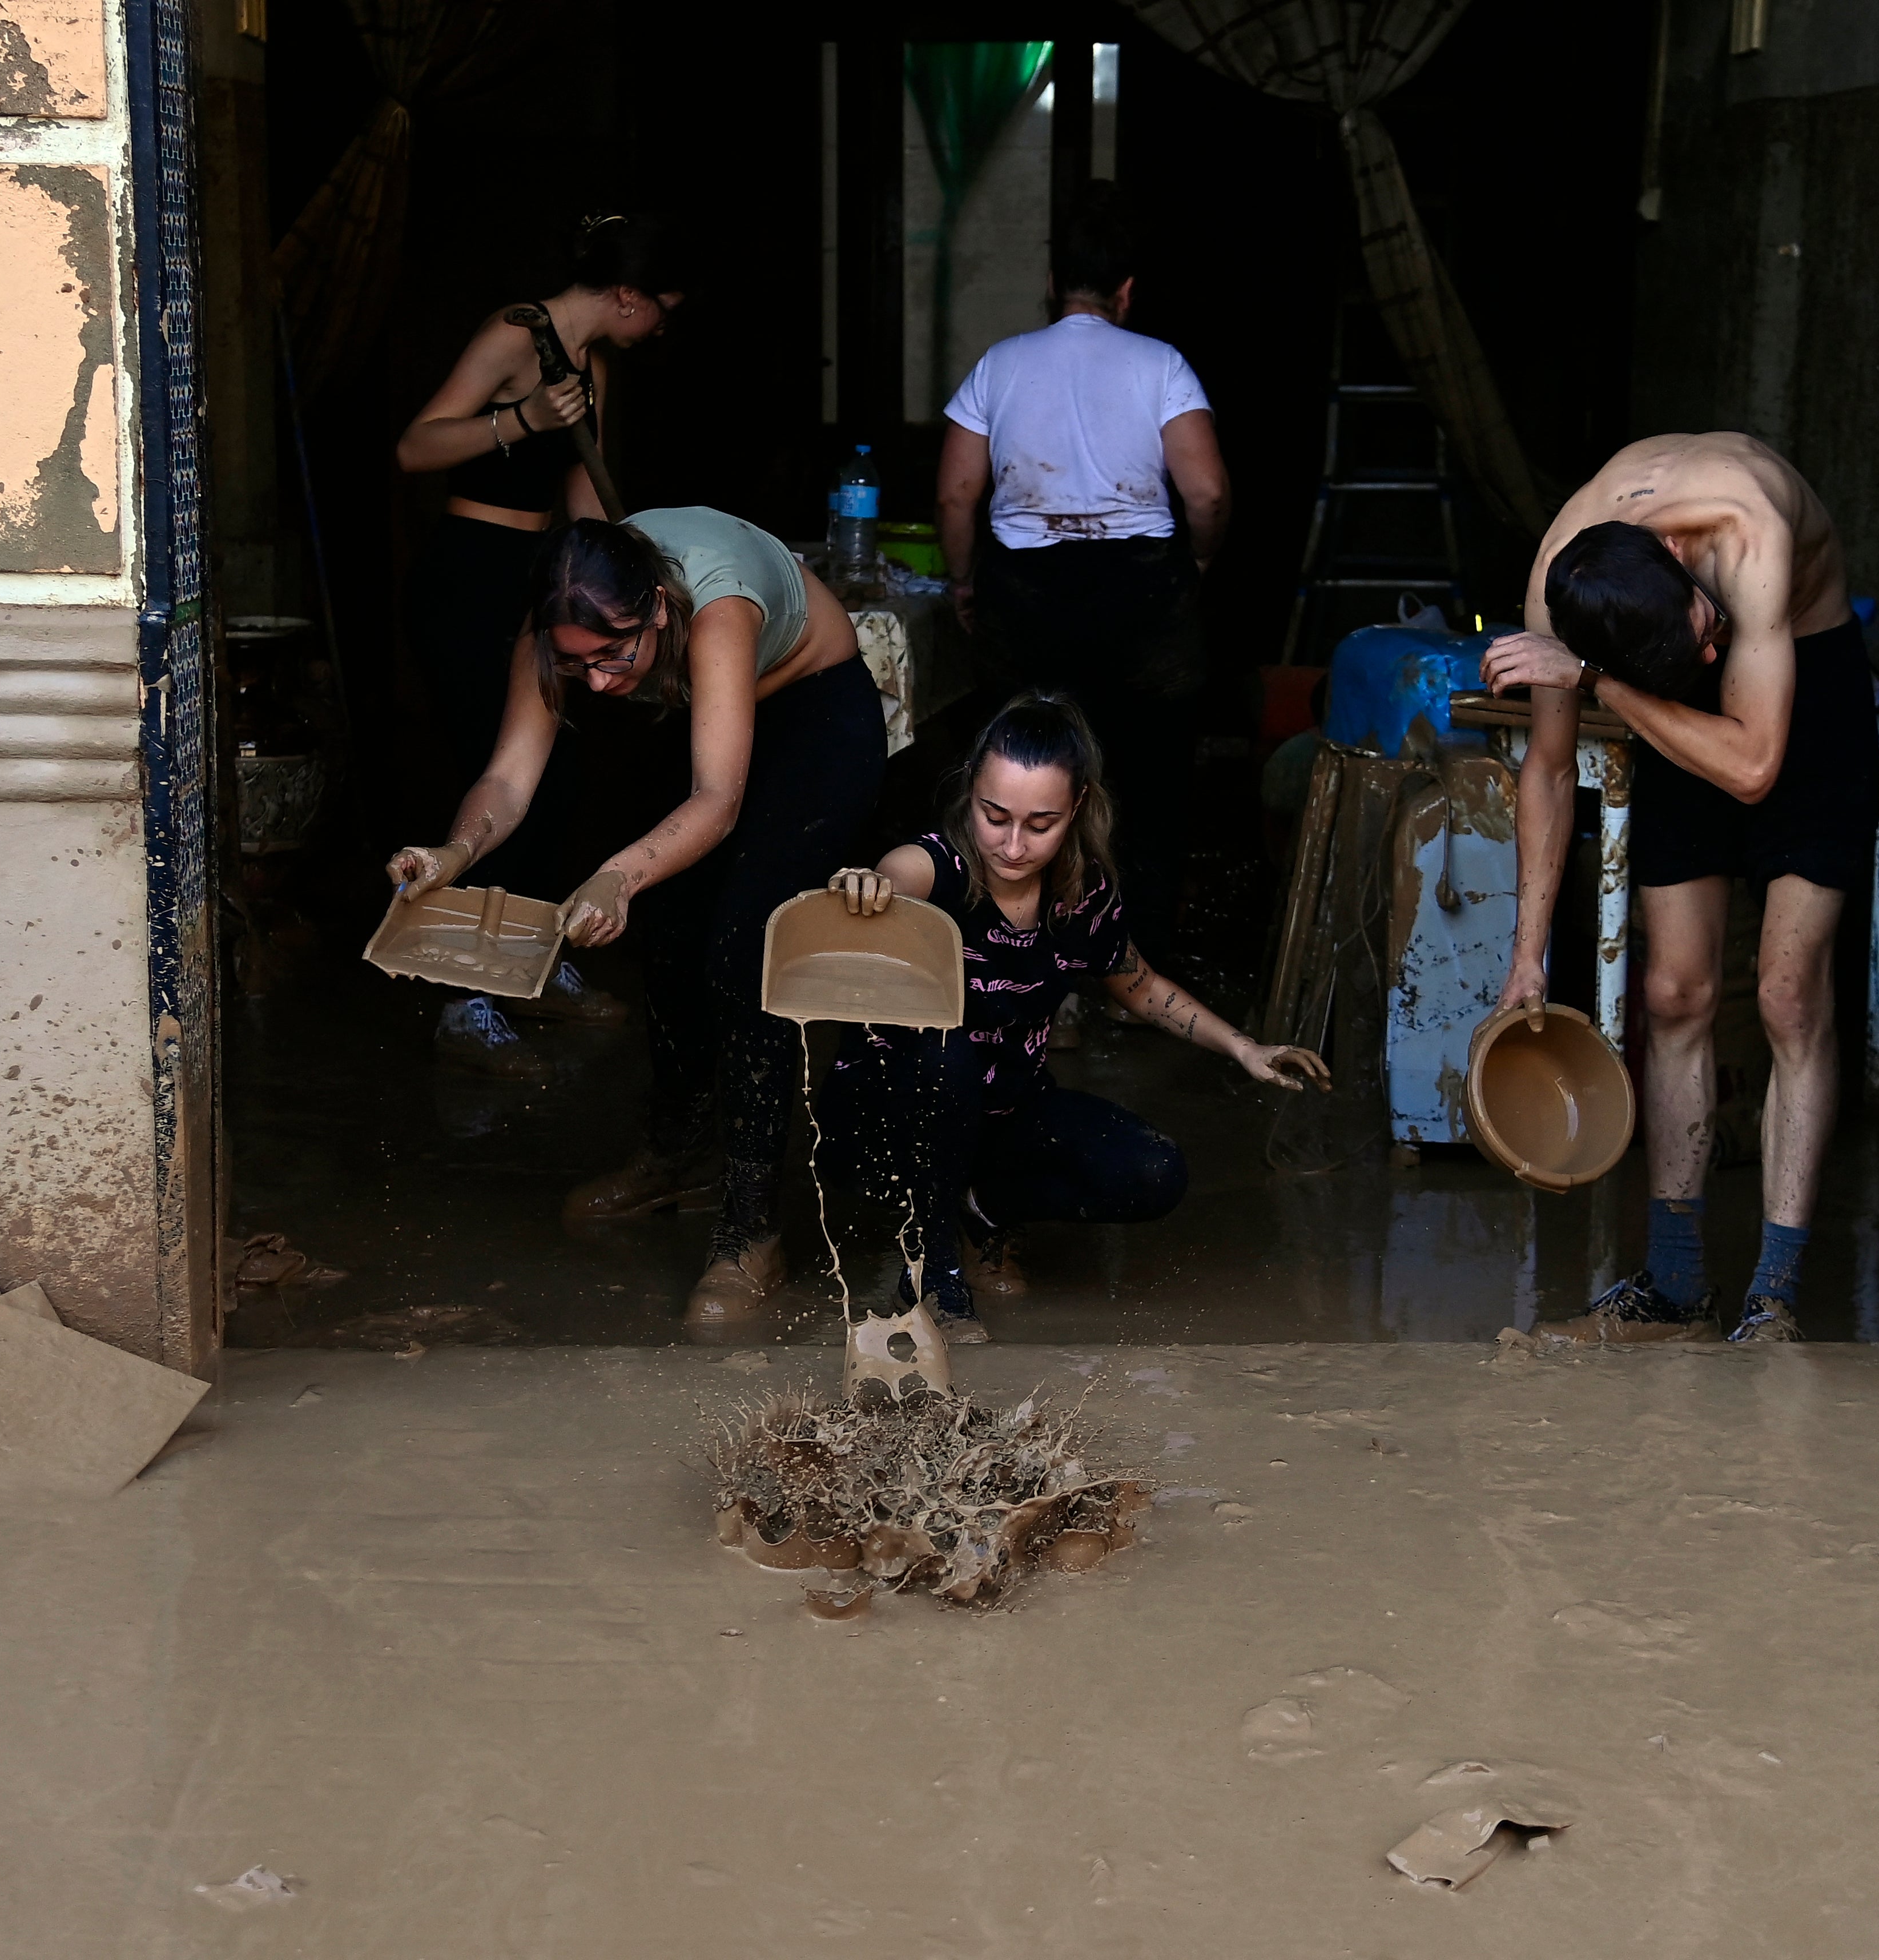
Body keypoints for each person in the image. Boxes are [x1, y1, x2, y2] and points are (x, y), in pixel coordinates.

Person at [386, 510, 882, 1331]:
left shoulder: (718, 611)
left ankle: (750, 1231)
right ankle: (677, 1159)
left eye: (614, 657)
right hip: (697, 716)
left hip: (809, 714)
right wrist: (451, 856)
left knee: (744, 949)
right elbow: (508, 782)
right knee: (674, 933)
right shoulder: (564, 629)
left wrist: (616, 876)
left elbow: (716, 803)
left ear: (656, 608)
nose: (601, 685)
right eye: (576, 664)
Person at [1480, 433, 1875, 1344]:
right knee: (1671, 992)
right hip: (1644, 678)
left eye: (1701, 635)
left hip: (1799, 689)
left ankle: (1772, 1293)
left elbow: (1751, 769)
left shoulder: (1747, 535)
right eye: (1684, 655)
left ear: (1672, 559)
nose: (1706, 661)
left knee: (1784, 994)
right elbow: (1545, 771)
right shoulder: (1560, 580)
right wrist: (1525, 960)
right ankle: (1675, 1285)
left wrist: (1599, 681)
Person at [817, 692, 1326, 1343]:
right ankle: (932, 1264)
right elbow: (891, 877)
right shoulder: (933, 869)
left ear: (1077, 808)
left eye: (1040, 823)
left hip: (999, 1112)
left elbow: (1141, 989)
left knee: (1152, 1174)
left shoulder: (1079, 898)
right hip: (887, 1117)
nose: (1012, 844)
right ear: (970, 790)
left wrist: (1243, 1047)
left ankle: (978, 1211)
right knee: (947, 1048)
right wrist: (865, 886)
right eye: (993, 815)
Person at [393, 214, 686, 1078]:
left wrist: (626, 582)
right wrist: (516, 419)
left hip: (545, 577)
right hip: (468, 573)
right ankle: (463, 1000)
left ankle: (529, 964)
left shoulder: (591, 367)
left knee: (558, 781)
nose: (661, 327)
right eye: (659, 309)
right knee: (493, 777)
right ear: (626, 295)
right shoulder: (513, 335)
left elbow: (584, 497)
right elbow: (414, 447)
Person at [934, 182, 1229, 964]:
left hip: (1026, 602)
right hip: (1142, 595)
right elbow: (1205, 491)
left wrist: (965, 582)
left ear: (1051, 285)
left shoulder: (998, 365)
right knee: (1150, 786)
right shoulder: (1161, 365)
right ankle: (1141, 973)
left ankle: (1031, 971)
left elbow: (956, 493)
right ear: (1125, 292)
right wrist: (1191, 563)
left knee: (1026, 794)